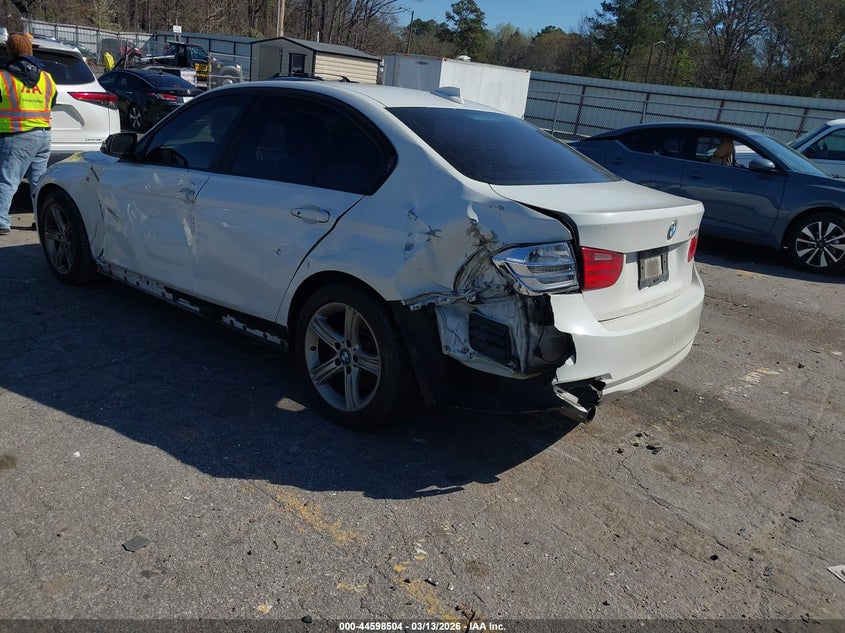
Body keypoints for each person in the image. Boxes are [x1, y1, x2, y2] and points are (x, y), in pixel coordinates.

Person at [0, 33, 57, 236]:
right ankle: (42, 221)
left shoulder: (3, 76)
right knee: (39, 182)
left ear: (10, 50)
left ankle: (1, 221)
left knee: (7, 179)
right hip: (43, 136)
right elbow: (52, 102)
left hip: (16, 135)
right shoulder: (47, 77)